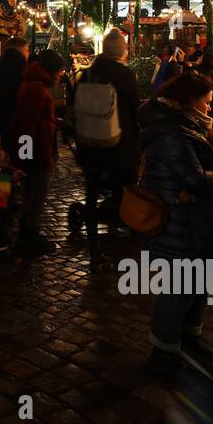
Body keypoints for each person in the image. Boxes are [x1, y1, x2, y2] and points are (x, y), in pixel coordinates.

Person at [137, 71, 213, 376]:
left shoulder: (184, 129)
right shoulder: (172, 134)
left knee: (199, 285)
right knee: (178, 290)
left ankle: (189, 338)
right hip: (180, 226)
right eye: (207, 103)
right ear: (189, 102)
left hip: (195, 223)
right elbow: (196, 179)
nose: (210, 109)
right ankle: (162, 352)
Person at [71, 28, 140, 259]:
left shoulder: (87, 74)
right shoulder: (125, 76)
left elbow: (74, 105)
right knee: (125, 187)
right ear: (122, 51)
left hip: (89, 144)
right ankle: (125, 234)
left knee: (91, 194)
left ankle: (94, 250)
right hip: (119, 147)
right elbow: (136, 110)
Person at [11, 48, 66, 257]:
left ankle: (28, 232)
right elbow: (27, 125)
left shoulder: (34, 84)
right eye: (60, 70)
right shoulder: (37, 89)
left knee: (32, 193)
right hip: (36, 153)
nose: (61, 75)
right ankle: (29, 235)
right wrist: (25, 158)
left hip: (35, 149)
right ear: (52, 70)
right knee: (35, 194)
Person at [0, 37, 29, 151]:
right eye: (27, 49)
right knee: (24, 155)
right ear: (21, 50)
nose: (28, 53)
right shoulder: (25, 70)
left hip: (4, 121)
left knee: (8, 152)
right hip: (23, 123)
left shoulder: (0, 69)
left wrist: (2, 109)